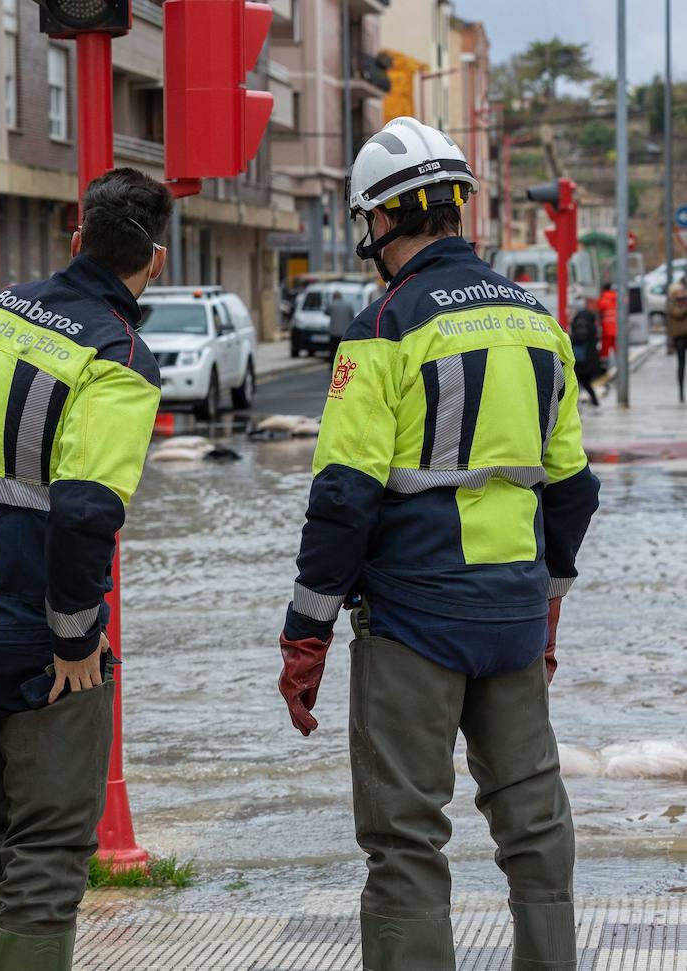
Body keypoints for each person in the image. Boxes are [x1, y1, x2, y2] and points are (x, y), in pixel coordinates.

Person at [277, 117, 601, 971]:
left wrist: (305, 631)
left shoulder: (382, 324)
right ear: (454, 207)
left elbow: (343, 495)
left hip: (414, 621)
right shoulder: (538, 321)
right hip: (514, 618)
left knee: (405, 839)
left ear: (382, 220)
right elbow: (572, 490)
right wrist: (550, 605)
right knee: (535, 825)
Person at [0, 167, 169, 971]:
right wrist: (76, 636)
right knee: (46, 858)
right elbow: (87, 509)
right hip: (34, 631)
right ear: (154, 261)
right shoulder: (117, 353)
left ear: (77, 236)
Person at [569, 297, 603, 407]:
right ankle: (594, 402)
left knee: (575, 382)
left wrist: (568, 338)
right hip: (590, 358)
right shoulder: (589, 320)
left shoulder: (580, 321)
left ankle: (573, 405)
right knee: (584, 383)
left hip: (582, 359)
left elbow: (580, 337)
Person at [667, 274, 687, 403]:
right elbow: (677, 314)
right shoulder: (672, 304)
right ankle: (680, 391)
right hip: (680, 338)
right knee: (681, 365)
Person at [326, 290, 354, 355]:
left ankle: (332, 364)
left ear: (333, 297)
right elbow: (352, 317)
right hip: (344, 333)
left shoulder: (332, 305)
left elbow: (326, 312)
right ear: (341, 297)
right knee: (343, 351)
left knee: (333, 351)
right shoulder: (348, 306)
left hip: (333, 332)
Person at [597, 282, 618, 363]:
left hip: (607, 328)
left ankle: (604, 364)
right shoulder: (617, 297)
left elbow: (599, 309)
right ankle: (620, 364)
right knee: (617, 347)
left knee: (605, 348)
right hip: (617, 327)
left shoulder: (603, 299)